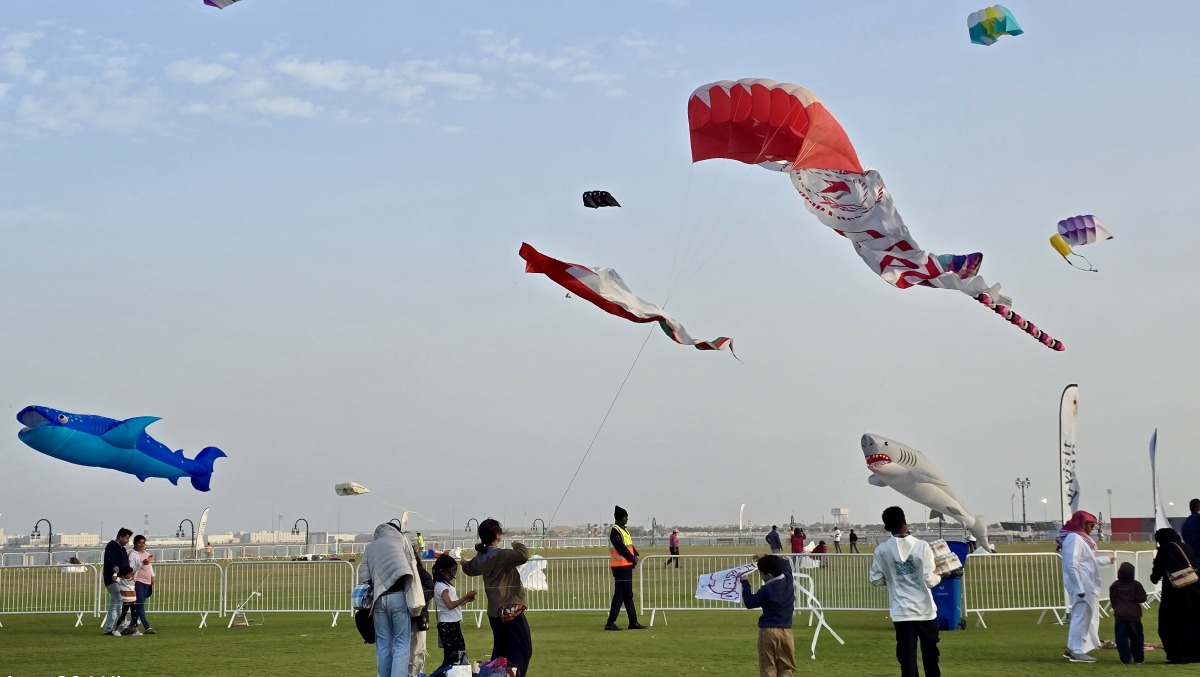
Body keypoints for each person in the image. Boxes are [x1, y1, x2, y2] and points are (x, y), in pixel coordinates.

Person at [869, 506, 942, 677]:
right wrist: (941, 575)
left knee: (907, 659)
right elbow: (929, 580)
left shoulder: (882, 550)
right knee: (931, 657)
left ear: (887, 527)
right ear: (905, 522)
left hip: (901, 611)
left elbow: (875, 579)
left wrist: (892, 578)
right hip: (925, 611)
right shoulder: (922, 546)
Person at [463, 519, 533, 676]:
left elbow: (469, 568)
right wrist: (516, 543)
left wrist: (463, 563)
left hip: (494, 612)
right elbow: (523, 555)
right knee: (522, 650)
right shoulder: (502, 555)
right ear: (497, 535)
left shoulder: (480, 558)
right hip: (510, 610)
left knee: (501, 653)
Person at [359, 520, 420, 677]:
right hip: (399, 596)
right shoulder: (401, 541)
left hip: (378, 600)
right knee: (401, 644)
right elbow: (412, 565)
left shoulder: (371, 547)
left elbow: (364, 577)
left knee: (383, 644)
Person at [1058, 510, 1115, 663]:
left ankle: (1071, 648)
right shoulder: (1074, 538)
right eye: (1091, 525)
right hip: (1082, 585)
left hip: (1085, 585)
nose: (1092, 529)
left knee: (1083, 617)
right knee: (1081, 618)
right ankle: (1078, 650)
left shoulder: (1079, 538)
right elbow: (1071, 564)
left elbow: (1087, 562)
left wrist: (1106, 560)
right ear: (1083, 524)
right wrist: (1078, 588)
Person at [1149, 527, 1200, 664]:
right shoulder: (1185, 547)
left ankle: (1178, 654)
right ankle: (1194, 654)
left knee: (1171, 623)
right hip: (1193, 589)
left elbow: (1158, 569)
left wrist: (1154, 578)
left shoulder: (1165, 549)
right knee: (1191, 622)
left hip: (1174, 593)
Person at [741, 554, 795, 677]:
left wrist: (745, 583)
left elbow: (750, 602)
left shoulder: (766, 590)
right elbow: (785, 562)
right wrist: (765, 558)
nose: (761, 576)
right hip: (787, 632)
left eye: (761, 574)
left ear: (769, 575)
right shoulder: (788, 579)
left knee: (768, 668)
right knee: (786, 669)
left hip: (768, 632)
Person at [432, 553, 478, 673]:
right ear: (442, 571)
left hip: (451, 622)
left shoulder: (443, 585)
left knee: (456, 655)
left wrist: (466, 601)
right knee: (452, 657)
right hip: (449, 625)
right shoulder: (442, 587)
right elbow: (450, 605)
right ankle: (438, 674)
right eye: (451, 571)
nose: (453, 574)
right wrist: (465, 596)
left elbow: (452, 606)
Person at [605, 505, 645, 631]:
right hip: (620, 567)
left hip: (626, 567)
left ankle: (633, 622)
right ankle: (610, 623)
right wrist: (632, 559)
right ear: (619, 518)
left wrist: (636, 554)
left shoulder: (624, 531)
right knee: (619, 595)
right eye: (625, 517)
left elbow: (629, 546)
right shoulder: (615, 531)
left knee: (628, 595)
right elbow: (621, 548)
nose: (627, 519)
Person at [1108, 561, 1147, 665]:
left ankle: (1125, 659)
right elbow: (1142, 599)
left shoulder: (1115, 585)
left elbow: (1112, 598)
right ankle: (1139, 658)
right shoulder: (1136, 585)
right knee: (1137, 638)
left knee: (1121, 638)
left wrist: (1116, 608)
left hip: (1120, 615)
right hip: (1134, 616)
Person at [410, 544, 435, 677]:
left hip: (418, 618)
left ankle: (416, 674)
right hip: (401, 618)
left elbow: (430, 591)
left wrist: (415, 594)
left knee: (417, 651)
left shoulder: (423, 574)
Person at [101, 528, 133, 635]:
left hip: (120, 579)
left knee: (114, 604)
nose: (128, 541)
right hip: (112, 579)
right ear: (120, 537)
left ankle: (108, 628)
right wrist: (115, 567)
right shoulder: (112, 546)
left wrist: (127, 573)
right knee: (119, 601)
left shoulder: (122, 549)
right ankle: (122, 626)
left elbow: (125, 564)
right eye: (126, 538)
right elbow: (109, 561)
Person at [129, 535, 156, 635]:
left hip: (147, 581)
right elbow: (131, 569)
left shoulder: (146, 553)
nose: (142, 545)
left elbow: (149, 566)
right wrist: (141, 563)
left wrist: (153, 576)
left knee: (139, 605)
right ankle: (147, 626)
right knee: (140, 604)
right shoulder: (132, 555)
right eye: (139, 543)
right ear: (135, 543)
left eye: (143, 543)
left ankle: (132, 626)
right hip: (138, 581)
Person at [114, 566, 140, 636]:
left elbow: (136, 571)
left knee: (134, 616)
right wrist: (116, 572)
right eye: (128, 574)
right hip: (126, 602)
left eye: (130, 574)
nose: (130, 575)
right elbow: (114, 578)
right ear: (124, 575)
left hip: (133, 601)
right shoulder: (121, 580)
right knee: (123, 616)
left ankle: (136, 631)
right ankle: (115, 630)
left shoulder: (133, 580)